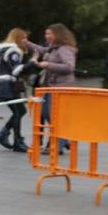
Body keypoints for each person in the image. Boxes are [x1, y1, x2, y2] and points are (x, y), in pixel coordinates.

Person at [26, 23, 78, 153]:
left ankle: (59, 144)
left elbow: (69, 67)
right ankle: (63, 141)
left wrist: (48, 64)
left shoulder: (65, 49)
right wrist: (27, 43)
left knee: (52, 115)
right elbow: (42, 50)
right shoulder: (53, 48)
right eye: (46, 33)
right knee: (47, 114)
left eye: (49, 33)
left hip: (61, 88)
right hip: (51, 87)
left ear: (58, 35)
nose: (46, 36)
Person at [0, 29, 30, 152]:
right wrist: (32, 64)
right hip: (7, 86)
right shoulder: (14, 51)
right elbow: (15, 70)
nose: (26, 41)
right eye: (23, 38)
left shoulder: (5, 50)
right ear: (17, 39)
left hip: (4, 85)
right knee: (19, 112)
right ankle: (16, 141)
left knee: (21, 111)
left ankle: (3, 134)